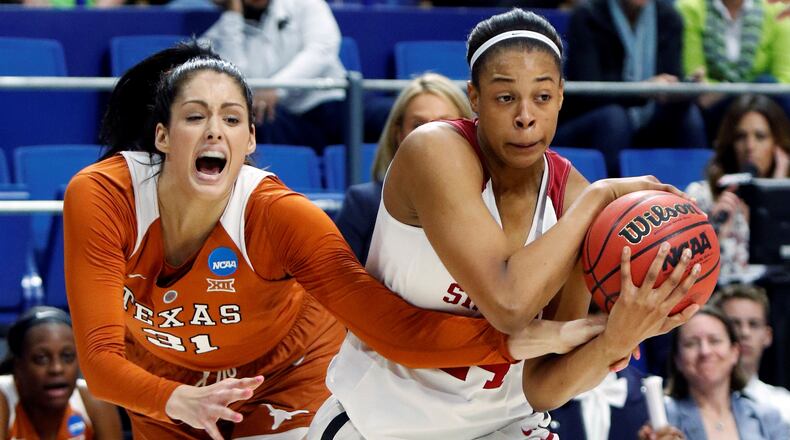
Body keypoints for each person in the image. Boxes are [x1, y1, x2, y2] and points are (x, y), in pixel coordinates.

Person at [65, 42, 612, 439]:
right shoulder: (102, 197)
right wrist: (174, 398)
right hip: (168, 380)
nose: (213, 130)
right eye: (194, 116)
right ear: (162, 136)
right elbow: (100, 362)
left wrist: (525, 341)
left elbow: (388, 327)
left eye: (232, 118)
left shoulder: (279, 215)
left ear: (251, 139)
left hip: (283, 374)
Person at [308, 9, 701, 440]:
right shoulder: (435, 151)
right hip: (382, 424)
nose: (526, 116)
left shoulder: (574, 199)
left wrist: (616, 340)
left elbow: (543, 386)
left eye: (543, 97)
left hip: (505, 426)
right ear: (474, 98)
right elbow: (509, 306)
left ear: (562, 98)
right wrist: (596, 200)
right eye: (505, 97)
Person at [201, 0, 385, 151]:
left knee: (393, 115)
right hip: (283, 118)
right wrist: (232, 15)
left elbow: (322, 50)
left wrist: (277, 88)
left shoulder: (306, 5)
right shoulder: (220, 35)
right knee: (254, 125)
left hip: (333, 103)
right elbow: (237, 78)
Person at [334, 73, 473, 264]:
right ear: (398, 134)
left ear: (467, 132)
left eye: (444, 124)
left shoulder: (489, 203)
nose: (429, 135)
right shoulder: (363, 204)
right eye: (418, 125)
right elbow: (332, 286)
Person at [557, 0, 708, 175]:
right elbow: (590, 93)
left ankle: (696, 193)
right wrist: (644, 90)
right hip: (594, 122)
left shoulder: (669, 18)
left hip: (648, 121)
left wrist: (684, 88)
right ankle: (612, 197)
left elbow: (671, 74)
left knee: (689, 117)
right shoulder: (587, 15)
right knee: (614, 119)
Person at [638, 306, 789, 439]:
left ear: (735, 352)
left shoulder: (767, 417)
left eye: (714, 340)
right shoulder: (660, 419)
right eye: (691, 343)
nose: (705, 351)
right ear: (677, 359)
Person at [685, 94, 790, 284]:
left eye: (760, 137)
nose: (750, 147)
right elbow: (685, 272)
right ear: (730, 143)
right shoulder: (701, 196)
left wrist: (777, 195)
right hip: (719, 300)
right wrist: (714, 231)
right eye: (741, 137)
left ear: (777, 144)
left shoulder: (786, 198)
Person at [0, 306, 122, 440]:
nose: (57, 368)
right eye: (41, 358)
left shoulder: (94, 400)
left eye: (67, 356)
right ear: (18, 365)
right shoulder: (3, 397)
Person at [676, 0, 790, 139]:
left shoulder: (777, 11)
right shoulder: (689, 8)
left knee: (767, 83)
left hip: (764, 107)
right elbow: (696, 78)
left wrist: (727, 90)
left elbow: (783, 81)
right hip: (714, 110)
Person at [712, 284, 790, 423]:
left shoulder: (784, 406)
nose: (744, 333)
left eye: (753, 324)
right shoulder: (680, 407)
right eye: (734, 323)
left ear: (768, 336)